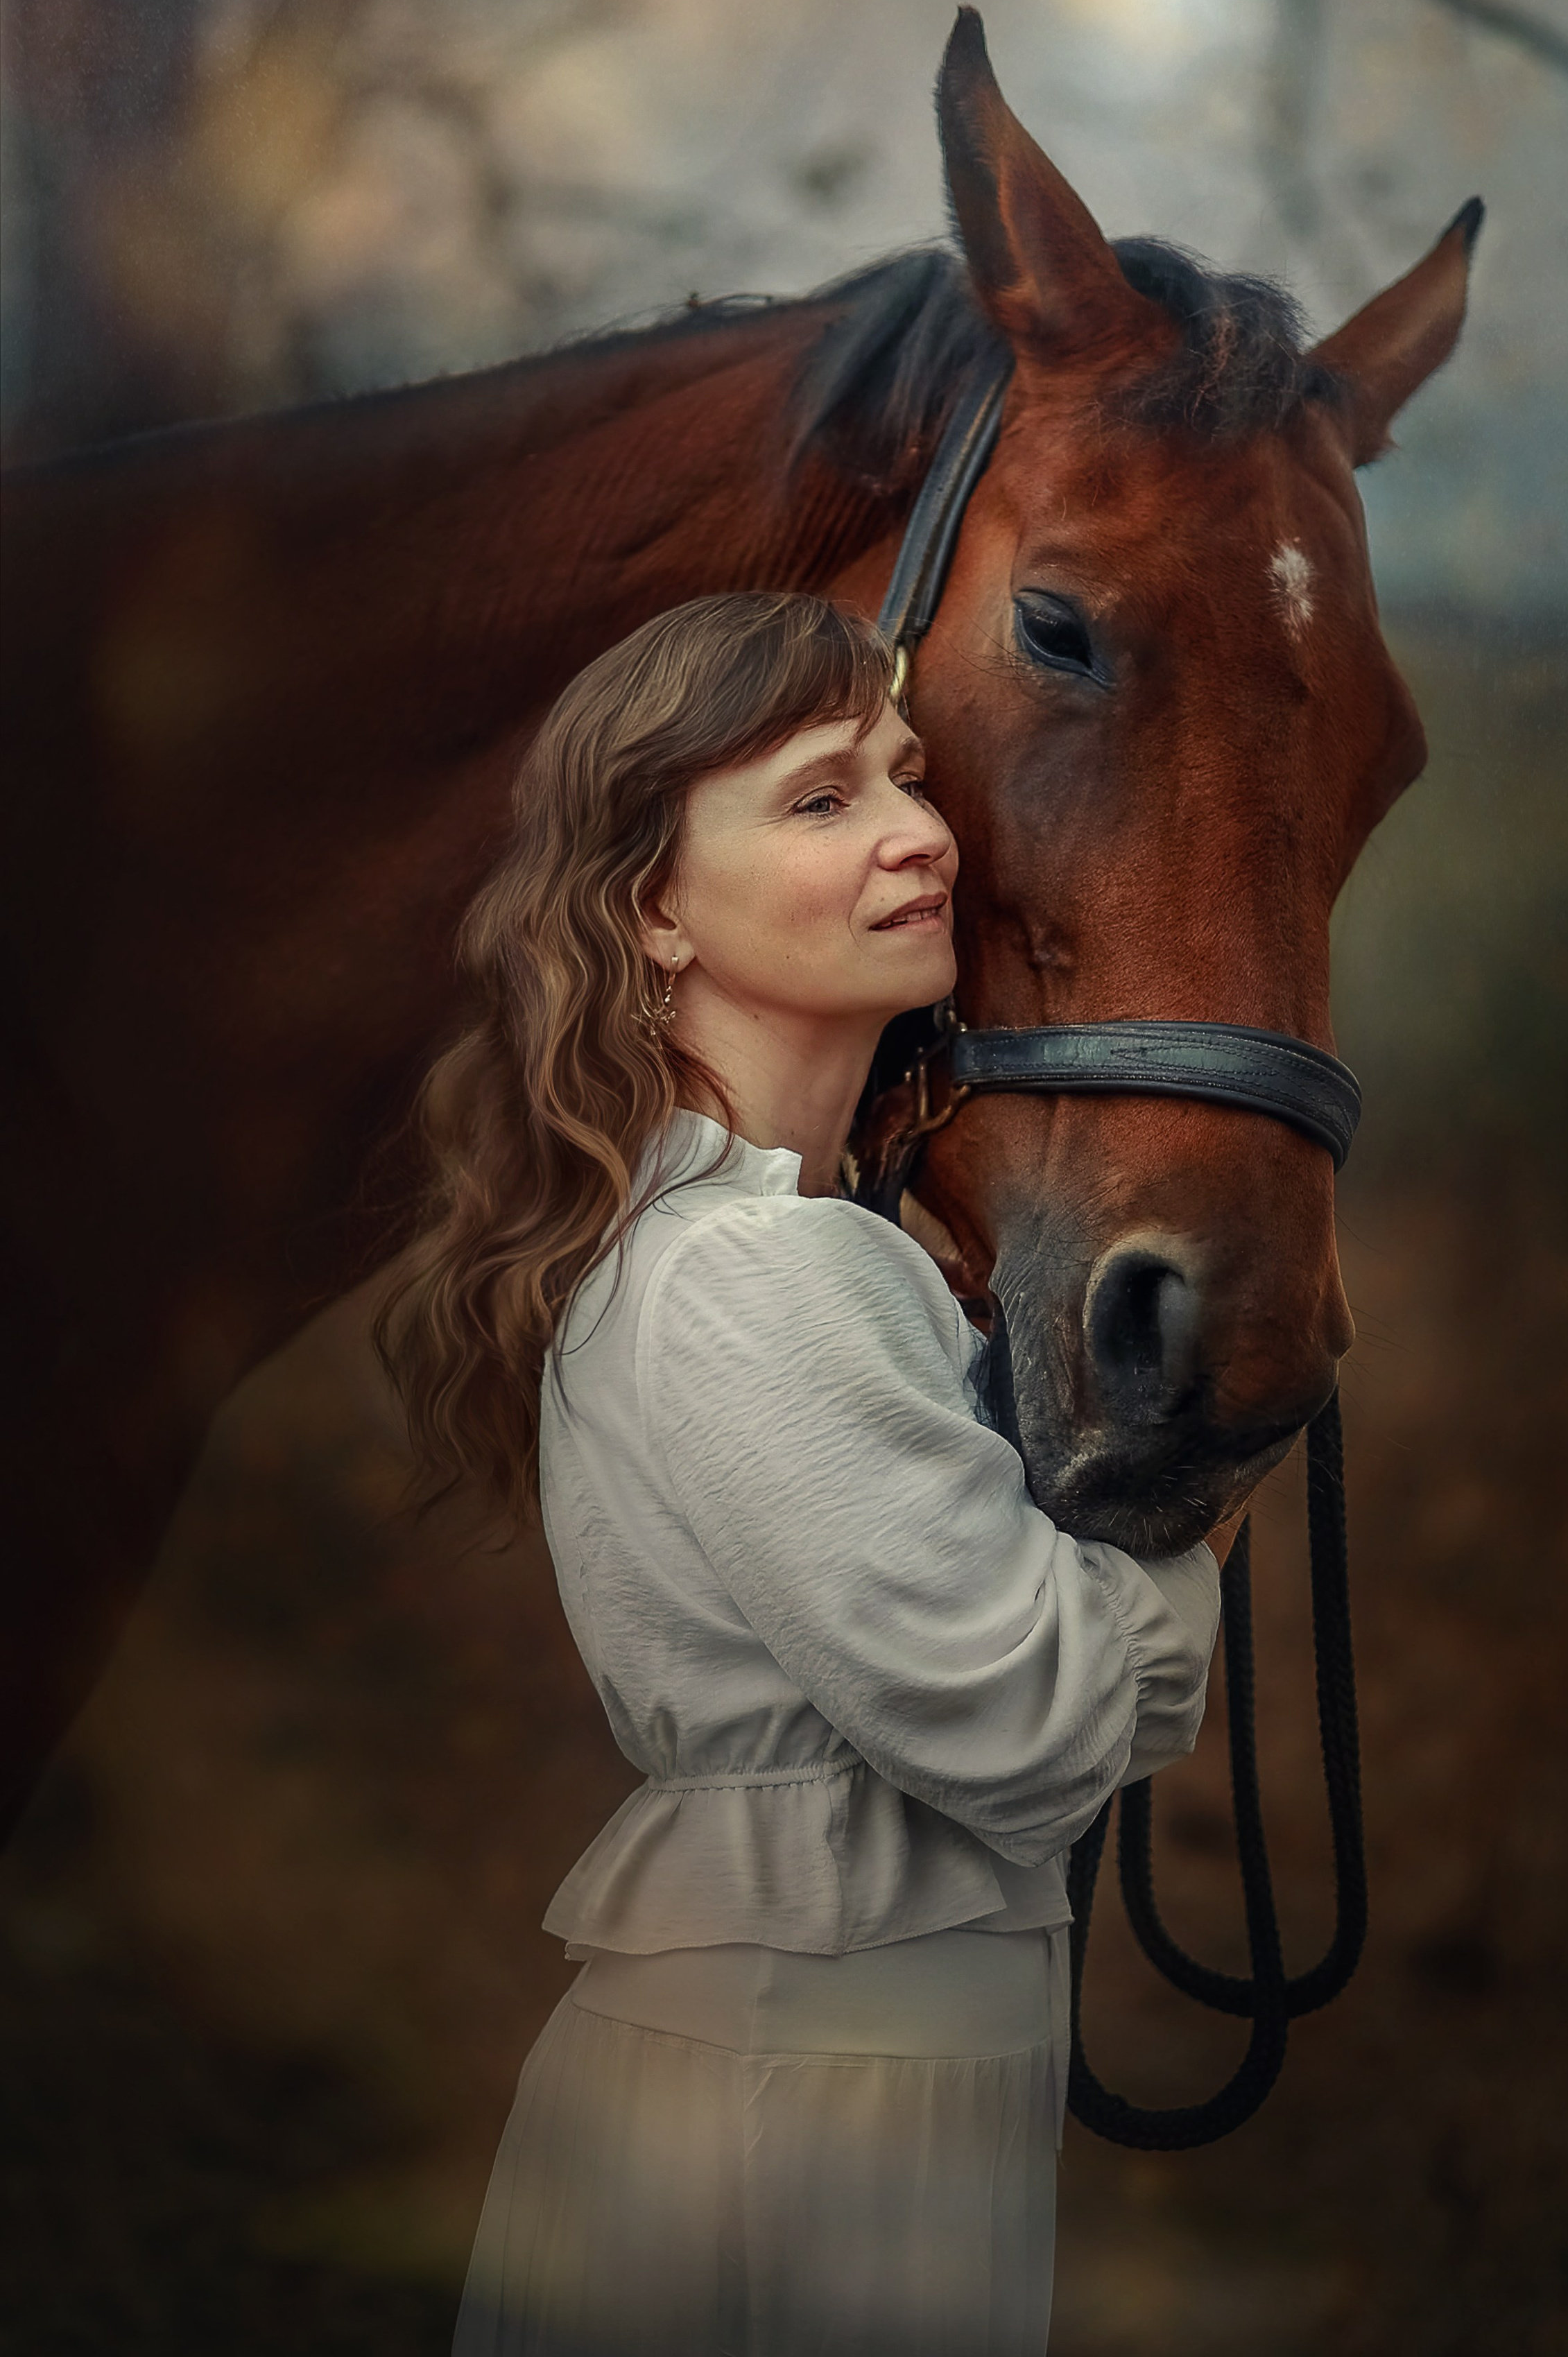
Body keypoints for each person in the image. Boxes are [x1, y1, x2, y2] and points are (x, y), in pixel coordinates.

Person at [377, 592, 1229, 2356]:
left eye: (906, 779)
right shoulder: (760, 1276)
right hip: (807, 2095)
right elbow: (1041, 1726)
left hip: (834, 2053)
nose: (921, 831)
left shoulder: (793, 1245)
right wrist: (1190, 1484)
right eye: (820, 798)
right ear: (649, 911)